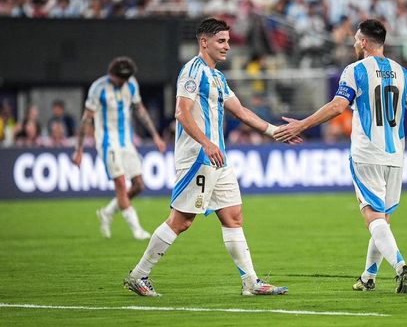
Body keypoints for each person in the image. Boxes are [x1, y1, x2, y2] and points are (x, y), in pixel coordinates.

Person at [123, 18, 296, 297]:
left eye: (228, 41)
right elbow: (182, 113)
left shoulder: (217, 76)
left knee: (233, 216)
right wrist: (205, 143)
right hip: (198, 157)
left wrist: (274, 131)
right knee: (182, 220)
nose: (227, 46)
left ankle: (250, 282)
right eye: (221, 41)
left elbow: (240, 111)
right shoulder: (193, 72)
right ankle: (139, 275)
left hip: (218, 157)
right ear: (204, 42)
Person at [274, 19, 407, 294]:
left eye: (354, 39)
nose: (353, 43)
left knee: (372, 216)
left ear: (363, 42)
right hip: (396, 155)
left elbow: (339, 106)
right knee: (382, 218)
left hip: (366, 153)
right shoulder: (403, 73)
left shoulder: (355, 70)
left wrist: (301, 124)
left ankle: (401, 267)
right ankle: (368, 276)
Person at [72, 56, 166, 240]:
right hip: (107, 142)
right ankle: (137, 229)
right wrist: (79, 149)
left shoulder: (131, 84)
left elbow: (140, 110)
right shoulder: (98, 88)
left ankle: (107, 212)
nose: (122, 82)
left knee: (139, 185)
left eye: (125, 79)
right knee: (121, 184)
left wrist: (155, 136)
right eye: (119, 79)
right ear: (110, 74)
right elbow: (86, 119)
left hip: (127, 141)